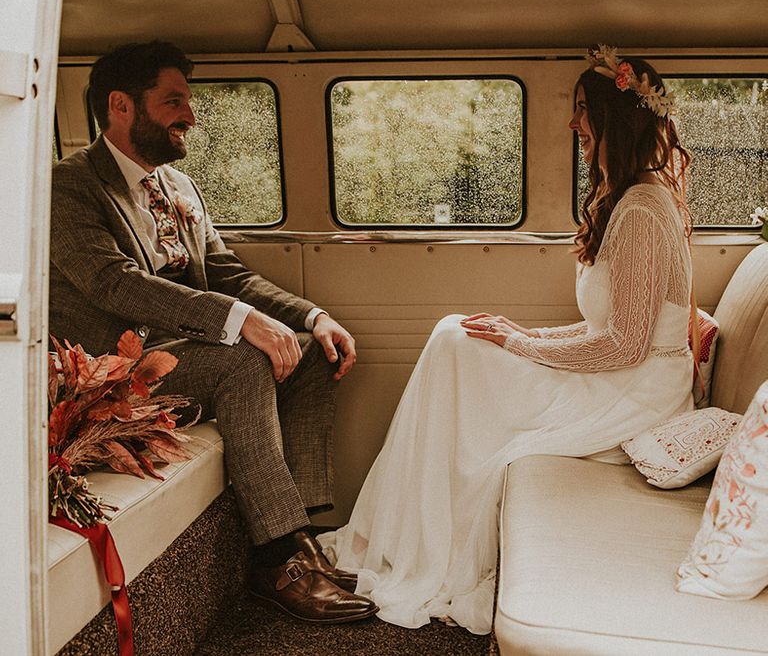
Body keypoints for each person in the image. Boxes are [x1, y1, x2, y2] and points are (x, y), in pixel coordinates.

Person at [320, 46, 694, 634]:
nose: (573, 125)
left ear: (614, 119)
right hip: (620, 373)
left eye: (581, 111)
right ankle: (388, 542)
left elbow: (625, 347)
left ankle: (397, 547)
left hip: (638, 392)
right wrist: (525, 334)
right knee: (455, 338)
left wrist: (523, 348)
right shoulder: (625, 200)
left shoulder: (644, 211)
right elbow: (609, 329)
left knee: (455, 343)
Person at [49, 40, 378, 624]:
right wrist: (237, 321)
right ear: (121, 106)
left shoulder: (179, 187)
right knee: (244, 359)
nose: (191, 117)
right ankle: (276, 559)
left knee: (313, 355)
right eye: (174, 101)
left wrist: (311, 317)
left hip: (179, 353)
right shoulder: (70, 185)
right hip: (114, 377)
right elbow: (111, 283)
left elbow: (227, 273)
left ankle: (300, 538)